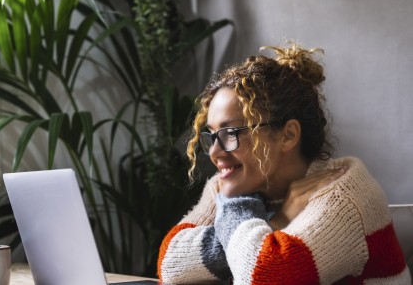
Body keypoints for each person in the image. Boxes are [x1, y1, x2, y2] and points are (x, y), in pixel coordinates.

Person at [156, 42, 411, 284]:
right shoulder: (231, 182)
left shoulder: (343, 193)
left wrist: (236, 206)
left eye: (231, 133)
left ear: (288, 135)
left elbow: (265, 276)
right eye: (212, 136)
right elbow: (170, 261)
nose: (214, 152)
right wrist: (276, 222)